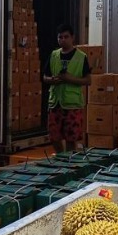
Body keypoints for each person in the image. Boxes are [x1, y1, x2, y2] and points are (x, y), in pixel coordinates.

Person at [43, 24, 91, 153]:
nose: (63, 40)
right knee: (54, 136)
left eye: (66, 37)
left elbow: (88, 80)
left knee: (71, 138)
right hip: (55, 103)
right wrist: (52, 80)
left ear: (72, 38)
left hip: (72, 105)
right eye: (60, 37)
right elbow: (44, 77)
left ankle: (68, 162)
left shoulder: (81, 57)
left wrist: (70, 79)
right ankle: (60, 157)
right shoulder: (53, 55)